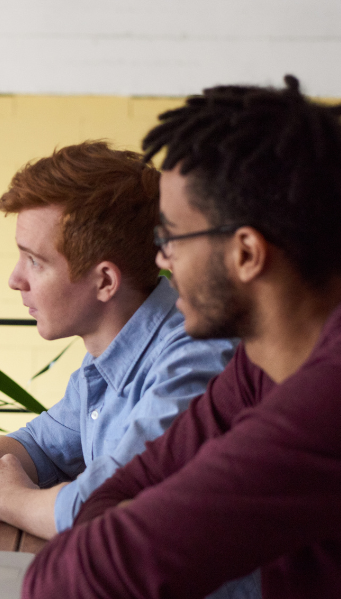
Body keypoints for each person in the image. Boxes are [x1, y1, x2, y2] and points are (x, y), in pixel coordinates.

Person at [25, 77, 341, 598]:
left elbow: (67, 578)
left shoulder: (329, 399)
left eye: (171, 237)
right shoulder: (259, 367)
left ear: (246, 253)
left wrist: (103, 542)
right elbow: (122, 490)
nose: (159, 260)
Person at [0, 141, 234, 539]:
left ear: (105, 281)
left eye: (35, 261)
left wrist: (10, 499)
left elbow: (113, 511)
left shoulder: (194, 361)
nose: (16, 279)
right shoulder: (114, 347)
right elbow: (45, 446)